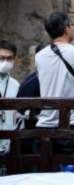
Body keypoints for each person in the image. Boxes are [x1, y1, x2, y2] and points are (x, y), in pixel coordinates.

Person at [35, 11, 74, 161]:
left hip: (45, 123)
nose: (73, 28)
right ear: (66, 29)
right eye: (71, 25)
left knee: (47, 169)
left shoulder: (39, 56)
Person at [0, 39, 19, 172]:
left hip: (8, 144)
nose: (5, 62)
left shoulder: (16, 84)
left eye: (9, 58)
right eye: (1, 58)